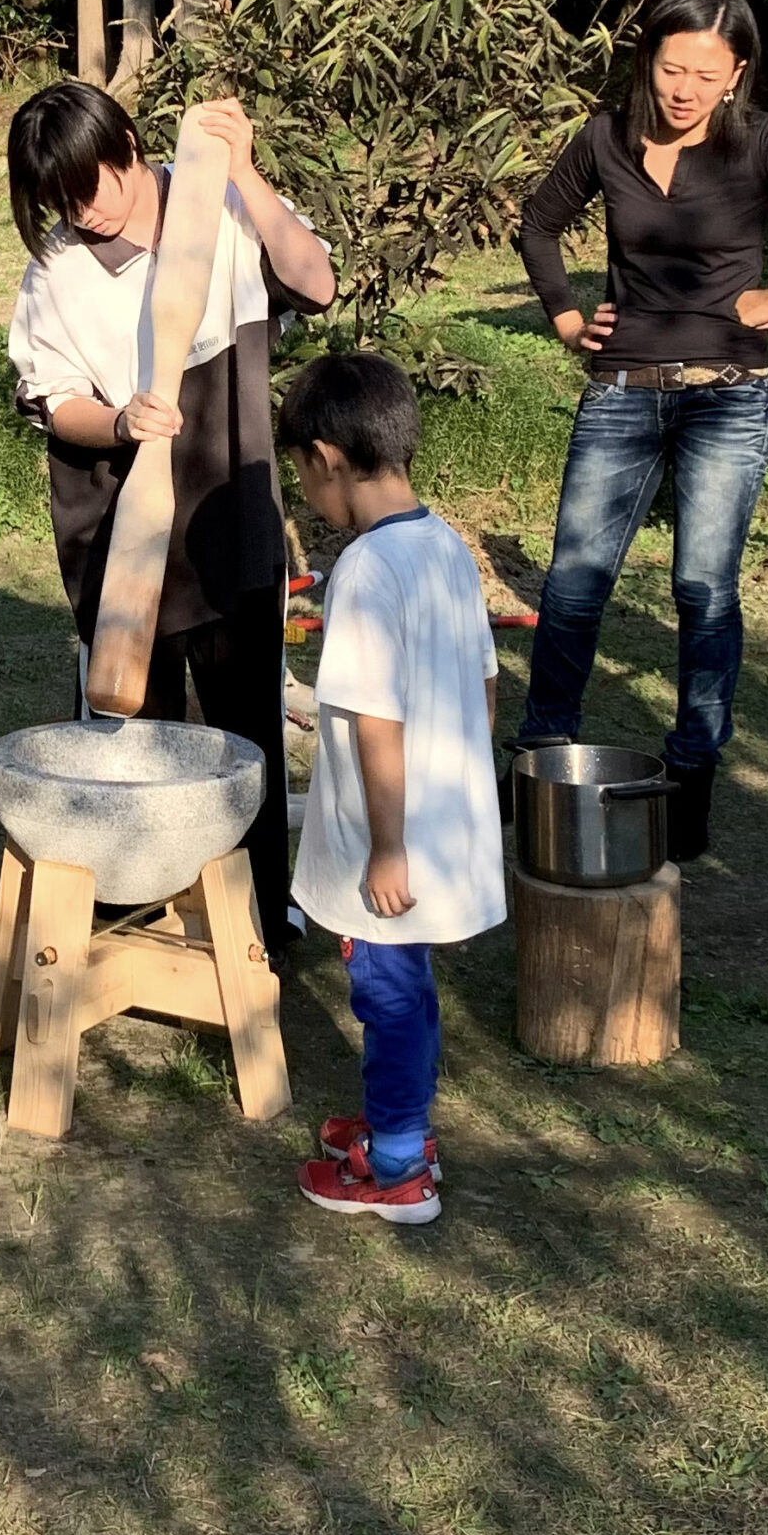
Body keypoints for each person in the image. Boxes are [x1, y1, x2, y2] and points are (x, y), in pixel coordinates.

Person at [514, 0, 768, 861]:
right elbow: (539, 225)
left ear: (736, 75)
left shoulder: (763, 144)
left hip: (729, 393)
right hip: (621, 386)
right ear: (646, 62)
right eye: (669, 67)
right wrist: (566, 315)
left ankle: (691, 772)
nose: (683, 88)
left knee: (702, 586)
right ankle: (542, 755)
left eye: (705, 72)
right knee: (575, 580)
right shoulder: (605, 138)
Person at [5, 83, 336, 960]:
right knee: (132, 738)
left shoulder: (220, 203)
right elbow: (54, 400)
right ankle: (138, 915)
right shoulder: (58, 270)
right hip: (116, 519)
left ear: (127, 143)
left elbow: (318, 282)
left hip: (229, 503)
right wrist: (119, 424)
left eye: (93, 184)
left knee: (245, 730)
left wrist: (249, 174)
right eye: (61, 199)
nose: (84, 210)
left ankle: (262, 922)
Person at [277, 354, 502, 1225]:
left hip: (393, 840)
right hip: (444, 818)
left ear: (327, 458)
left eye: (305, 478)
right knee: (405, 983)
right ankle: (397, 1121)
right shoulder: (446, 545)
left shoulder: (366, 572)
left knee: (386, 989)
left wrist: (388, 846)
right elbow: (485, 683)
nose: (309, 497)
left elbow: (376, 721)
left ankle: (400, 1166)